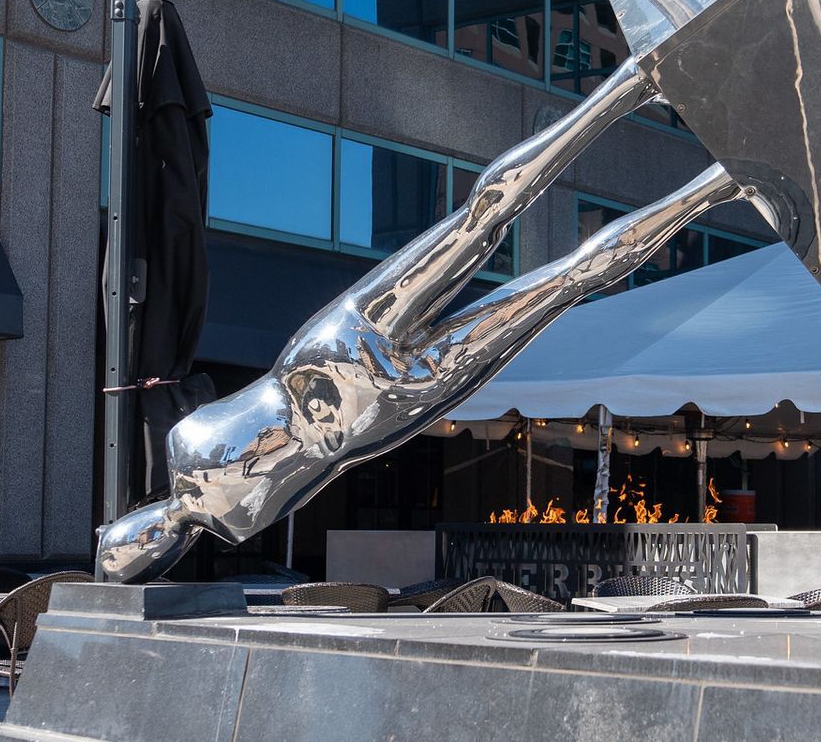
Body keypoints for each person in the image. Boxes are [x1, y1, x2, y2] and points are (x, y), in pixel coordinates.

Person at [96, 63, 754, 583]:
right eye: (145, 555)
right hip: (377, 397)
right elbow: (326, 466)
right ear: (160, 560)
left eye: (131, 540)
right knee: (558, 280)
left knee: (484, 217)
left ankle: (632, 87)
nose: (148, 539)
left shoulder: (186, 441)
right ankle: (714, 181)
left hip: (335, 351)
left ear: (128, 523)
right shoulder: (231, 516)